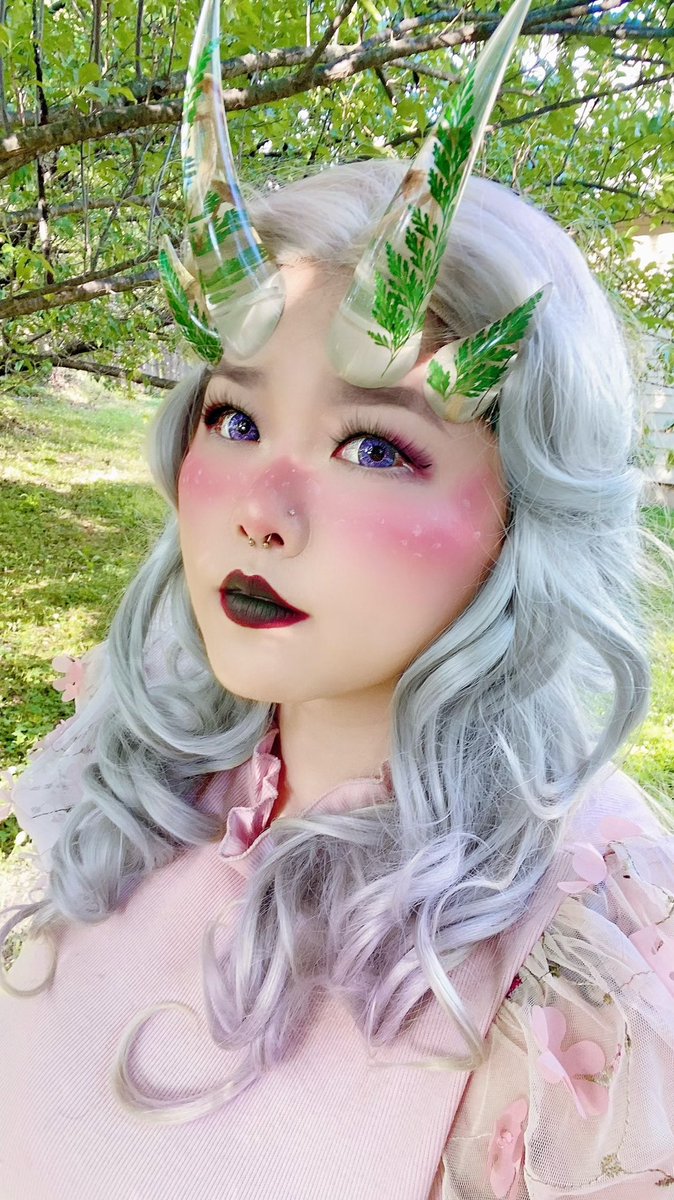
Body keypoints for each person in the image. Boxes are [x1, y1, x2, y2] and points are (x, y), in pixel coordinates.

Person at [1, 1, 674, 1196]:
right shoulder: (138, 770)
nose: (262, 511)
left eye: (372, 448)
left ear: (525, 514)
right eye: (234, 419)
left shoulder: (582, 980)